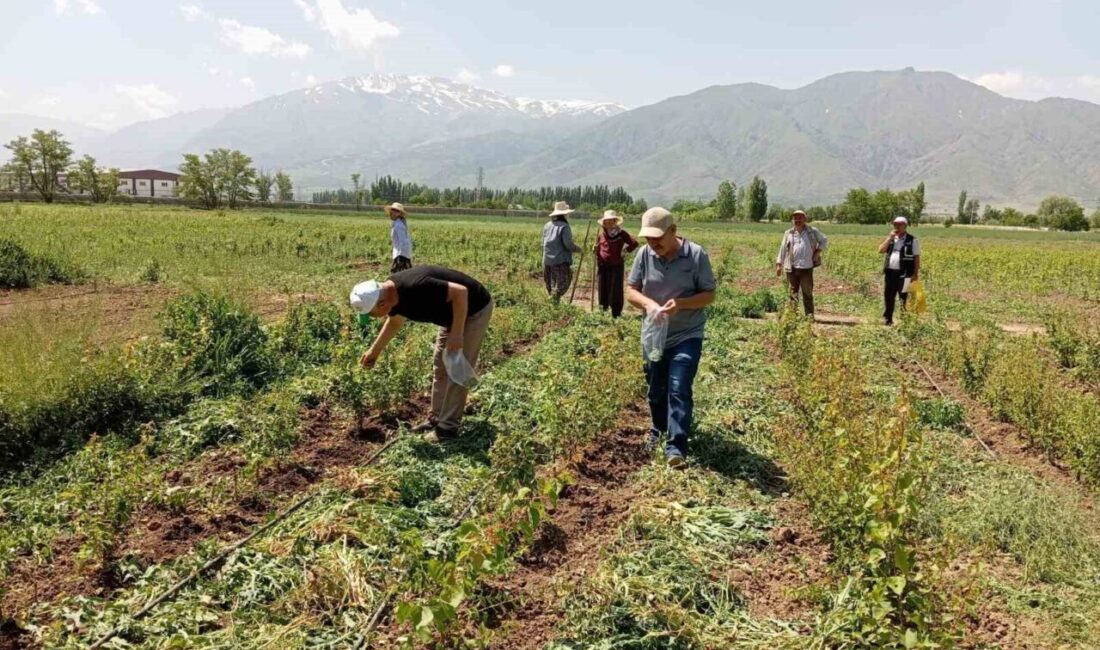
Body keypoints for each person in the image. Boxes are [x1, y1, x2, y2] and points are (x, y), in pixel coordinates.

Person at [351, 265, 493, 442]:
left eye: (372, 315)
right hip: (450, 315)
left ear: (381, 304)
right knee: (440, 366)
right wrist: (375, 350)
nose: (373, 319)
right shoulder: (391, 295)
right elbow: (394, 322)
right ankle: (436, 418)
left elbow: (461, 293)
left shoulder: (416, 286)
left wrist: (456, 335)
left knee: (457, 368)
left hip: (473, 310)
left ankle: (447, 430)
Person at [626, 207, 716, 467]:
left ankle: (676, 447)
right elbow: (631, 291)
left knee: (679, 388)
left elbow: (709, 295)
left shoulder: (696, 255)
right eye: (649, 239)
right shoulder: (644, 255)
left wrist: (682, 304)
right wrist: (649, 305)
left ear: (673, 231)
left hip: (687, 334)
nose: (653, 245)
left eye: (658, 239)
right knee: (656, 389)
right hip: (655, 336)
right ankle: (658, 429)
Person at [775, 209, 828, 317]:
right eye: (795, 218)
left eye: (800, 217)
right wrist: (779, 264)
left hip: (807, 268)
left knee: (807, 293)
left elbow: (824, 240)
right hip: (791, 268)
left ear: (805, 219)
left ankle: (809, 316)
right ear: (792, 220)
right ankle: (792, 316)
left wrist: (817, 252)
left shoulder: (812, 231)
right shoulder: (788, 233)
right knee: (792, 293)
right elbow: (783, 249)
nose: (797, 220)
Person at [593, 209, 639, 318]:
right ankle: (602, 312)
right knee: (602, 288)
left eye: (610, 221)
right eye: (606, 221)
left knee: (616, 289)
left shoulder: (621, 234)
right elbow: (598, 248)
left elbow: (634, 243)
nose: (608, 223)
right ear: (604, 223)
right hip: (603, 266)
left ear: (615, 221)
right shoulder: (601, 235)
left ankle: (616, 314)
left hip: (616, 266)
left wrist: (625, 251)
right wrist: (595, 249)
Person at [878, 215, 921, 326]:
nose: (896, 226)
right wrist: (889, 238)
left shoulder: (912, 240)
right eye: (895, 224)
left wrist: (915, 273)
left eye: (899, 224)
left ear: (905, 226)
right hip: (890, 273)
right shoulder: (891, 239)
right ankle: (888, 319)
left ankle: (904, 320)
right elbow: (881, 250)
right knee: (889, 296)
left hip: (906, 274)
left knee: (903, 297)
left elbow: (916, 257)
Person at [542, 201, 581, 303]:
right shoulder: (564, 226)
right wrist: (579, 249)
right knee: (560, 287)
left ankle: (553, 306)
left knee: (551, 287)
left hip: (547, 261)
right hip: (559, 261)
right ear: (564, 214)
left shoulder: (547, 225)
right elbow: (568, 245)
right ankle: (554, 307)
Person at [386, 202, 413, 273]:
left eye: (396, 211)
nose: (393, 212)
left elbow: (403, 242)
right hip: (402, 253)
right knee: (406, 275)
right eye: (392, 210)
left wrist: (400, 258)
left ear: (400, 213)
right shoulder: (397, 223)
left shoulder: (398, 225)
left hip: (401, 254)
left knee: (397, 275)